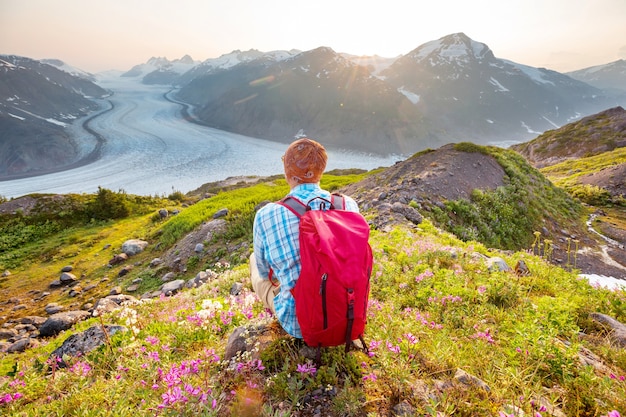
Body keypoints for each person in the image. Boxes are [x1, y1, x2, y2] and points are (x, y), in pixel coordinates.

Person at [249, 138, 360, 339]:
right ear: (322, 170)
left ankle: (281, 308)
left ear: (287, 172)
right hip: (348, 314)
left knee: (254, 264)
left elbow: (266, 273)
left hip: (299, 323)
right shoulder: (348, 205)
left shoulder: (266, 214)